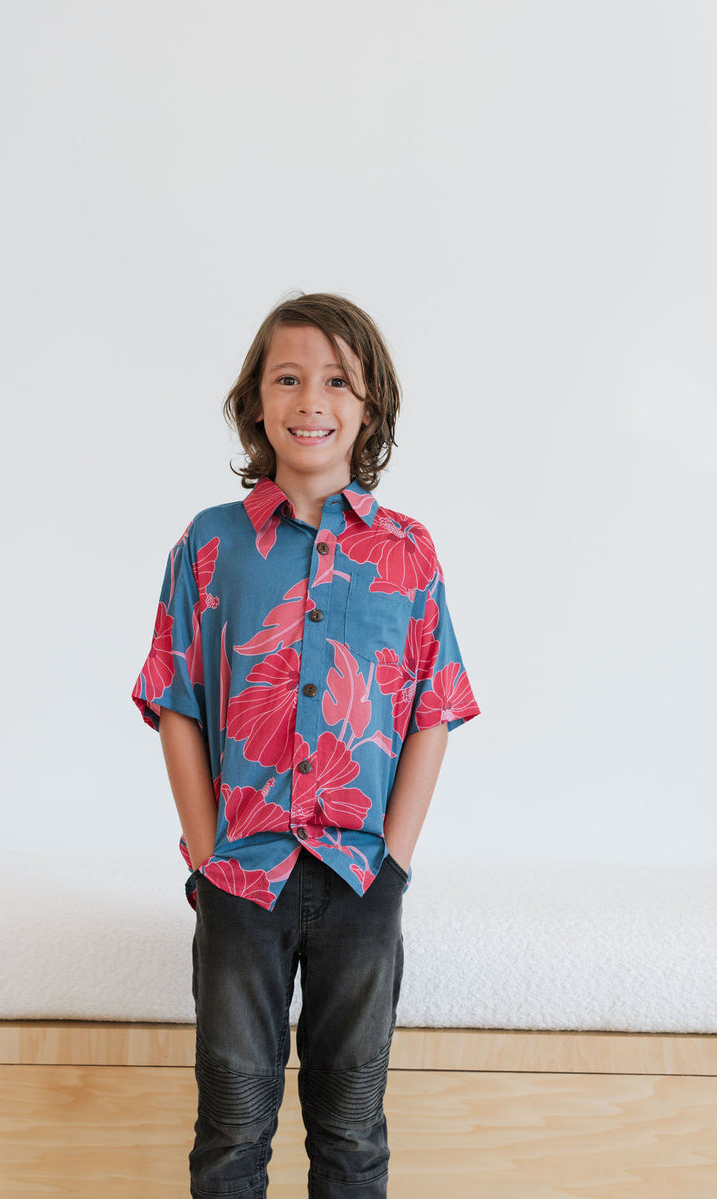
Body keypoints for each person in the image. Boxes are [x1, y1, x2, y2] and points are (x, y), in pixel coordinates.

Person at [132, 292, 480, 1198]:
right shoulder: (209, 546)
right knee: (233, 1127)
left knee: (352, 1127)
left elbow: (432, 709)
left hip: (362, 879)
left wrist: (394, 860)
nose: (310, 400)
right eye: (287, 378)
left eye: (336, 381)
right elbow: (177, 698)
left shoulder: (408, 552)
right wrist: (208, 857)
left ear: (370, 410)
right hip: (242, 879)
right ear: (256, 400)